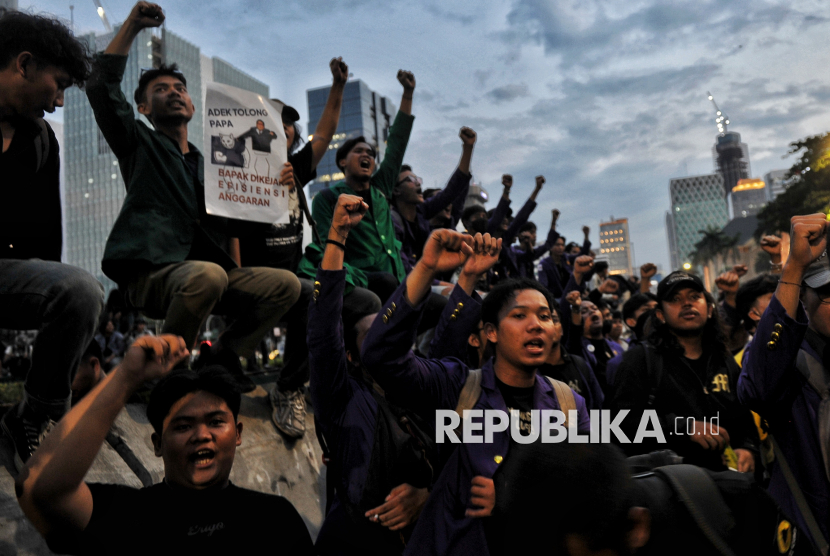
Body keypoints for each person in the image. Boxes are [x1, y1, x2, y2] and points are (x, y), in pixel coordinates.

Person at [86, 2, 301, 391]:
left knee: (287, 284)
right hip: (152, 272)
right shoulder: (138, 143)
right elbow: (100, 86)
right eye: (161, 90)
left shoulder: (213, 166)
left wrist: (275, 188)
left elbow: (237, 222)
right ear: (143, 107)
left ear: (192, 104)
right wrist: (132, 25)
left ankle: (221, 357)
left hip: (210, 277)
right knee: (208, 274)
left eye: (180, 89)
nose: (174, 94)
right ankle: (167, 376)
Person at [360, 229, 590, 555]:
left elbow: (591, 484)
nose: (536, 325)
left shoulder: (569, 403)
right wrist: (426, 268)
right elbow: (381, 356)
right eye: (520, 315)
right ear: (491, 333)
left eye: (544, 316)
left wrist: (514, 493)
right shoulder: (458, 387)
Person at [16, 334, 314, 555]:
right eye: (183, 426)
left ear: (237, 434)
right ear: (157, 444)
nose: (201, 435)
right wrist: (126, 378)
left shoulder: (275, 518)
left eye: (215, 422)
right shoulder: (127, 514)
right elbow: (43, 490)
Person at [0, 9, 105, 470]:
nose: (59, 102)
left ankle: (36, 416)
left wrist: (77, 343)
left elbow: (43, 243)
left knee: (80, 288)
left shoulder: (41, 140)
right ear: (23, 65)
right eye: (57, 84)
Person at [310, 194, 443, 555]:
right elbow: (323, 334)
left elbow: (459, 464)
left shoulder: (429, 390)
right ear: (352, 356)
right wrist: (337, 237)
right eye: (375, 339)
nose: (390, 345)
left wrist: (425, 495)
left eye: (395, 337)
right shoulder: (343, 399)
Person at [739, 213, 830, 552]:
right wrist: (792, 267)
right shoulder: (787, 358)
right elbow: (758, 390)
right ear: (802, 299)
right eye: (827, 292)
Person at [610, 270, 757, 472]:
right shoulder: (641, 360)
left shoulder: (723, 359)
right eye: (675, 299)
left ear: (709, 310)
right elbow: (620, 425)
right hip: (671, 488)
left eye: (695, 297)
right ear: (660, 315)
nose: (687, 304)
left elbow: (744, 418)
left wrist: (747, 449)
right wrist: (683, 428)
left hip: (728, 486)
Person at [297, 68, 417, 303]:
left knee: (443, 307)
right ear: (342, 161)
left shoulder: (381, 189)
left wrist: (408, 94)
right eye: (359, 151)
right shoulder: (327, 199)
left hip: (400, 282)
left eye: (371, 153)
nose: (367, 156)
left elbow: (397, 144)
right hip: (361, 283)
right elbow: (324, 247)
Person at [392, 127, 475, 273]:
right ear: (396, 190)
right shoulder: (391, 221)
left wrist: (468, 148)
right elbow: (404, 270)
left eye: (418, 179)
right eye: (411, 179)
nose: (418, 183)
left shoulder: (422, 212)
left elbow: (452, 190)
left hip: (427, 280)